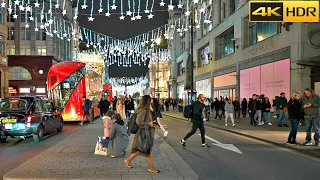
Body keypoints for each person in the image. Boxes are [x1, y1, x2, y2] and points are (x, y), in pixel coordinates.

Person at [124, 95, 159, 173]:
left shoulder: (146, 109)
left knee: (141, 150)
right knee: (147, 151)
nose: (151, 102)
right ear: (147, 101)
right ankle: (150, 167)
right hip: (143, 134)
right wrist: (149, 124)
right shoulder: (142, 110)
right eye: (150, 100)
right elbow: (139, 122)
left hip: (146, 133)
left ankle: (128, 160)